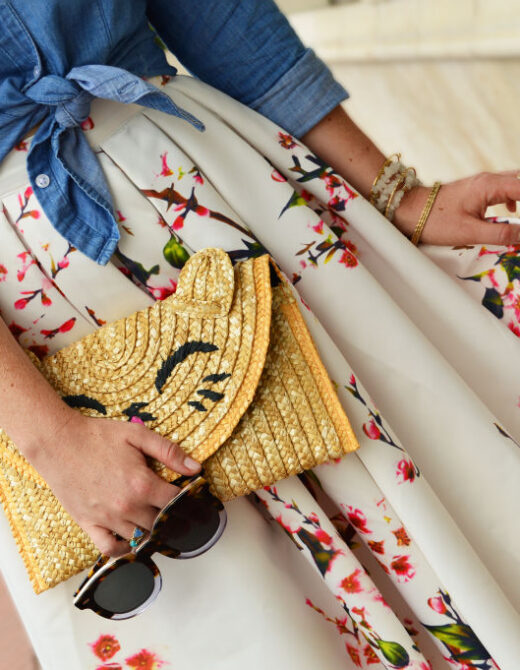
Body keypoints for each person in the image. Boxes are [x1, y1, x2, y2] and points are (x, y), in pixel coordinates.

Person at [0, 1, 519, 668]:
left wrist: (398, 196)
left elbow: (218, 17)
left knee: (426, 509)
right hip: (37, 332)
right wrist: (53, 439)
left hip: (223, 195)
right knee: (241, 618)